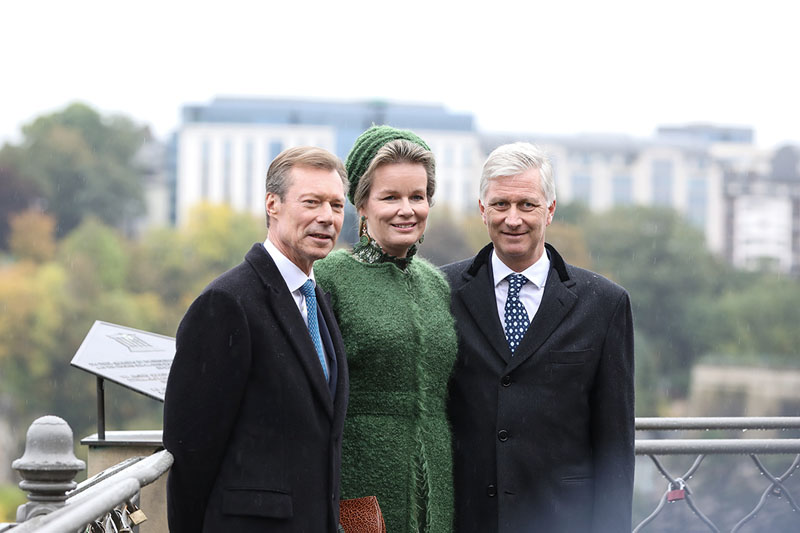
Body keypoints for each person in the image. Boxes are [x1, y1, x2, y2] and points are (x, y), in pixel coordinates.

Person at [443, 142, 635, 533]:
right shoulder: (441, 292)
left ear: (550, 210)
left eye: (527, 205)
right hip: (468, 519)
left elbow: (614, 445)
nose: (512, 219)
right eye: (500, 204)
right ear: (482, 209)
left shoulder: (604, 304)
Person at [163, 146, 350, 532]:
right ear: (272, 204)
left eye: (336, 205)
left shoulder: (316, 300)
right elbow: (190, 449)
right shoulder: (226, 303)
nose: (326, 217)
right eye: (311, 202)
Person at [315, 125, 457, 533]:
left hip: (438, 491)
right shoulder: (329, 277)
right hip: (358, 485)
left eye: (417, 197)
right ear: (361, 204)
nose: (406, 209)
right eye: (390, 197)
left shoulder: (435, 284)